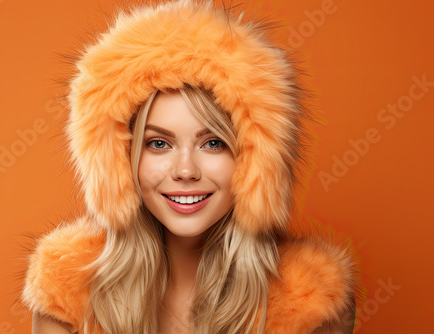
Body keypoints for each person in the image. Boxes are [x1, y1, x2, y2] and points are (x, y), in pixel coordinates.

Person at [21, 1, 359, 333]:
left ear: (254, 161)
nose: (185, 170)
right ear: (121, 161)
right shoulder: (68, 292)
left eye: (213, 143)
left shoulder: (310, 303)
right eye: (158, 143)